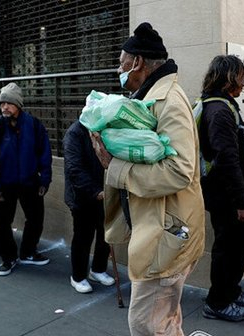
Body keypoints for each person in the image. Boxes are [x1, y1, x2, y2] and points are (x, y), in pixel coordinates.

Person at [91, 22, 205, 335]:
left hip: (166, 234)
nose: (119, 69)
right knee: (164, 320)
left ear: (138, 63)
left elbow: (180, 170)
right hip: (161, 229)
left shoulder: (167, 100)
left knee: (145, 325)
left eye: (121, 63)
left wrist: (113, 166)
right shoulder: (152, 96)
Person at [197, 55, 244, 322]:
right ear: (231, 78)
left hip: (224, 195)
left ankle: (230, 291)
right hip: (226, 198)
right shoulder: (219, 111)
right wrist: (242, 202)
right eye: (241, 77)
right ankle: (218, 302)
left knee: (236, 246)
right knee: (227, 249)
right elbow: (228, 161)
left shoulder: (217, 105)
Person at [0, 82, 52, 276]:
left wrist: (44, 180)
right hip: (4, 185)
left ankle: (28, 252)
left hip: (30, 182)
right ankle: (8, 258)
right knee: (2, 223)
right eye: (2, 103)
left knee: (36, 219)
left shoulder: (34, 125)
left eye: (9, 103)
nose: (4, 107)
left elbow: (44, 153)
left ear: (19, 105)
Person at [63, 120, 114, 293]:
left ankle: (98, 269)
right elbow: (74, 168)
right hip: (82, 196)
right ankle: (77, 277)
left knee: (105, 234)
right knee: (83, 237)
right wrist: (95, 191)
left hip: (104, 193)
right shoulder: (75, 133)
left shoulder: (104, 130)